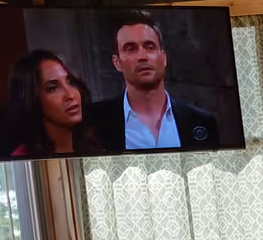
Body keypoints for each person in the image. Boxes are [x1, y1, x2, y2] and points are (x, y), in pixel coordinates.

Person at [84, 10, 219, 151]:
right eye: (131, 49)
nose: (142, 56)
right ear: (117, 62)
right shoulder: (93, 121)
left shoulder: (201, 121)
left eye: (149, 47)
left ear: (164, 58)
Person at [5, 50, 99, 158]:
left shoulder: (93, 145)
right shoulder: (20, 161)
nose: (71, 95)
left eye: (70, 82)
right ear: (32, 99)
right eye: (53, 88)